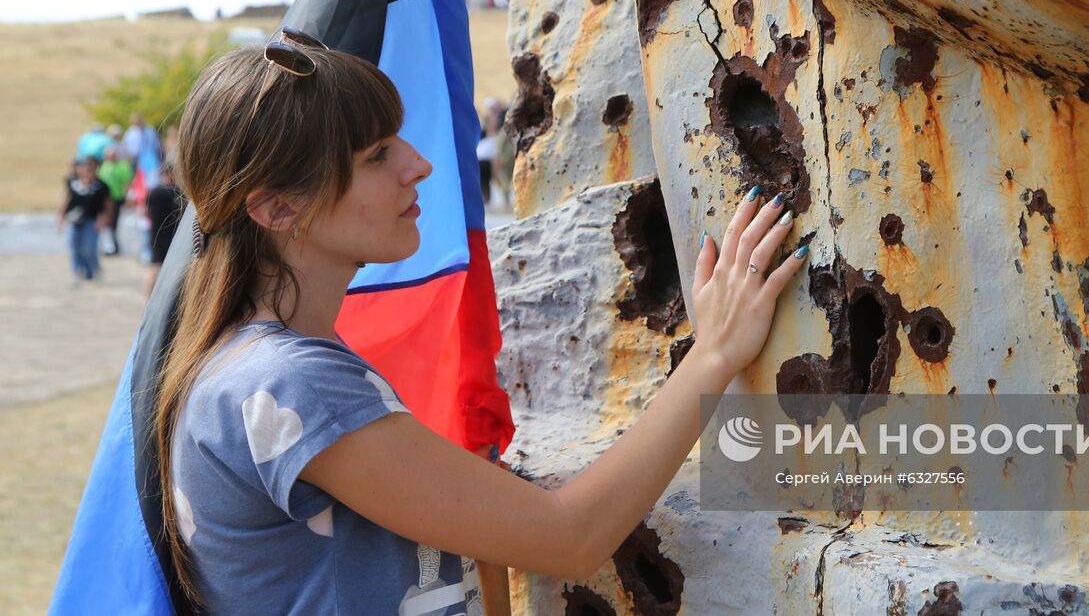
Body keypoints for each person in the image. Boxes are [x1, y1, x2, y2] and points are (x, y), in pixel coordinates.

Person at [154, 34, 807, 613]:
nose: (419, 163)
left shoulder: (246, 364)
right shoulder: (291, 380)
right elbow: (569, 538)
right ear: (276, 207)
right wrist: (715, 352)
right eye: (378, 154)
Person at [58, 156, 111, 283]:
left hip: (91, 219)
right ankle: (76, 271)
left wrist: (103, 219)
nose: (88, 172)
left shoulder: (101, 186)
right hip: (74, 219)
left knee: (89, 247)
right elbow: (65, 200)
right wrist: (61, 217)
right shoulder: (73, 183)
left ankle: (91, 269)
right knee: (74, 245)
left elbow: (107, 205)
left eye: (90, 170)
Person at [142, 158, 186, 301]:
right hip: (174, 234)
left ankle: (148, 300)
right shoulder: (179, 193)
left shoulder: (154, 191)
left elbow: (145, 212)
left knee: (154, 267)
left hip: (156, 233)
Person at [97, 145, 134, 256]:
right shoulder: (103, 167)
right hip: (104, 199)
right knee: (105, 222)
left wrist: (127, 196)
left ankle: (113, 245)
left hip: (116, 198)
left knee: (113, 223)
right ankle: (109, 245)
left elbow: (127, 183)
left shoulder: (122, 167)